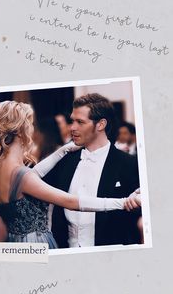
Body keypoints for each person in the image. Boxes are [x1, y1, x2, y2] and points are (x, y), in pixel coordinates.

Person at [0, 100, 141, 248]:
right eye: (30, 123)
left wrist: (63, 150)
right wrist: (124, 202)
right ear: (21, 131)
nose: (32, 127)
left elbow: (33, 174)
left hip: (14, 241)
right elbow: (71, 201)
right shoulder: (23, 176)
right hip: (36, 242)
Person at [44, 93, 141, 248]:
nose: (72, 127)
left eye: (80, 122)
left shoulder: (129, 164)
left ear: (100, 124)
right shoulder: (64, 161)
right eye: (72, 121)